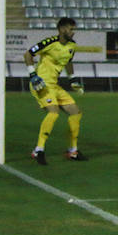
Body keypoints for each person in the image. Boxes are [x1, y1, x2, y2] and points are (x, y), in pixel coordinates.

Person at [24, 17, 86, 165]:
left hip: (55, 85)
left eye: (73, 29)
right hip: (41, 84)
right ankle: (38, 150)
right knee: (53, 112)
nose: (73, 32)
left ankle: (73, 151)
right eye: (71, 29)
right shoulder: (49, 43)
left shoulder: (72, 46)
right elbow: (28, 54)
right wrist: (33, 75)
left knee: (76, 112)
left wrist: (72, 79)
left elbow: (68, 62)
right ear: (62, 29)